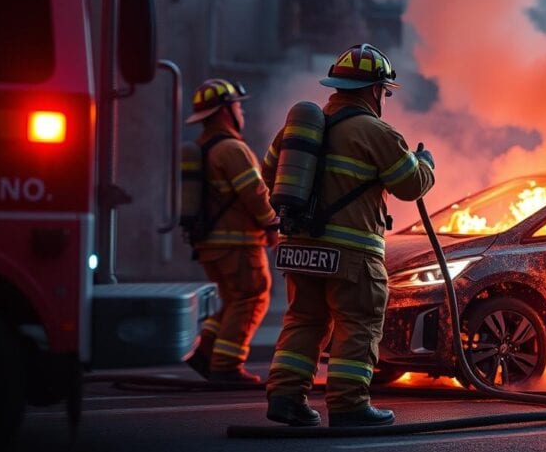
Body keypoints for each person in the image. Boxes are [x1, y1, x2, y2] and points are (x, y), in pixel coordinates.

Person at [262, 44, 435, 428]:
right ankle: (348, 405)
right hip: (353, 253)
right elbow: (410, 186)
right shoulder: (377, 132)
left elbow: (269, 174)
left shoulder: (296, 131)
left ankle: (286, 397)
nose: (384, 99)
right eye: (385, 92)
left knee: (304, 320)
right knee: (358, 323)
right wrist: (426, 164)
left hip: (300, 248)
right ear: (375, 90)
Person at [183, 78, 279, 384]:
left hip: (211, 244)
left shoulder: (204, 148)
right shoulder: (232, 149)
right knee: (252, 297)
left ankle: (205, 353)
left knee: (233, 299)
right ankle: (227, 365)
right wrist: (273, 224)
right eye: (238, 105)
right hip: (238, 243)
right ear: (226, 110)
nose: (241, 111)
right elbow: (255, 193)